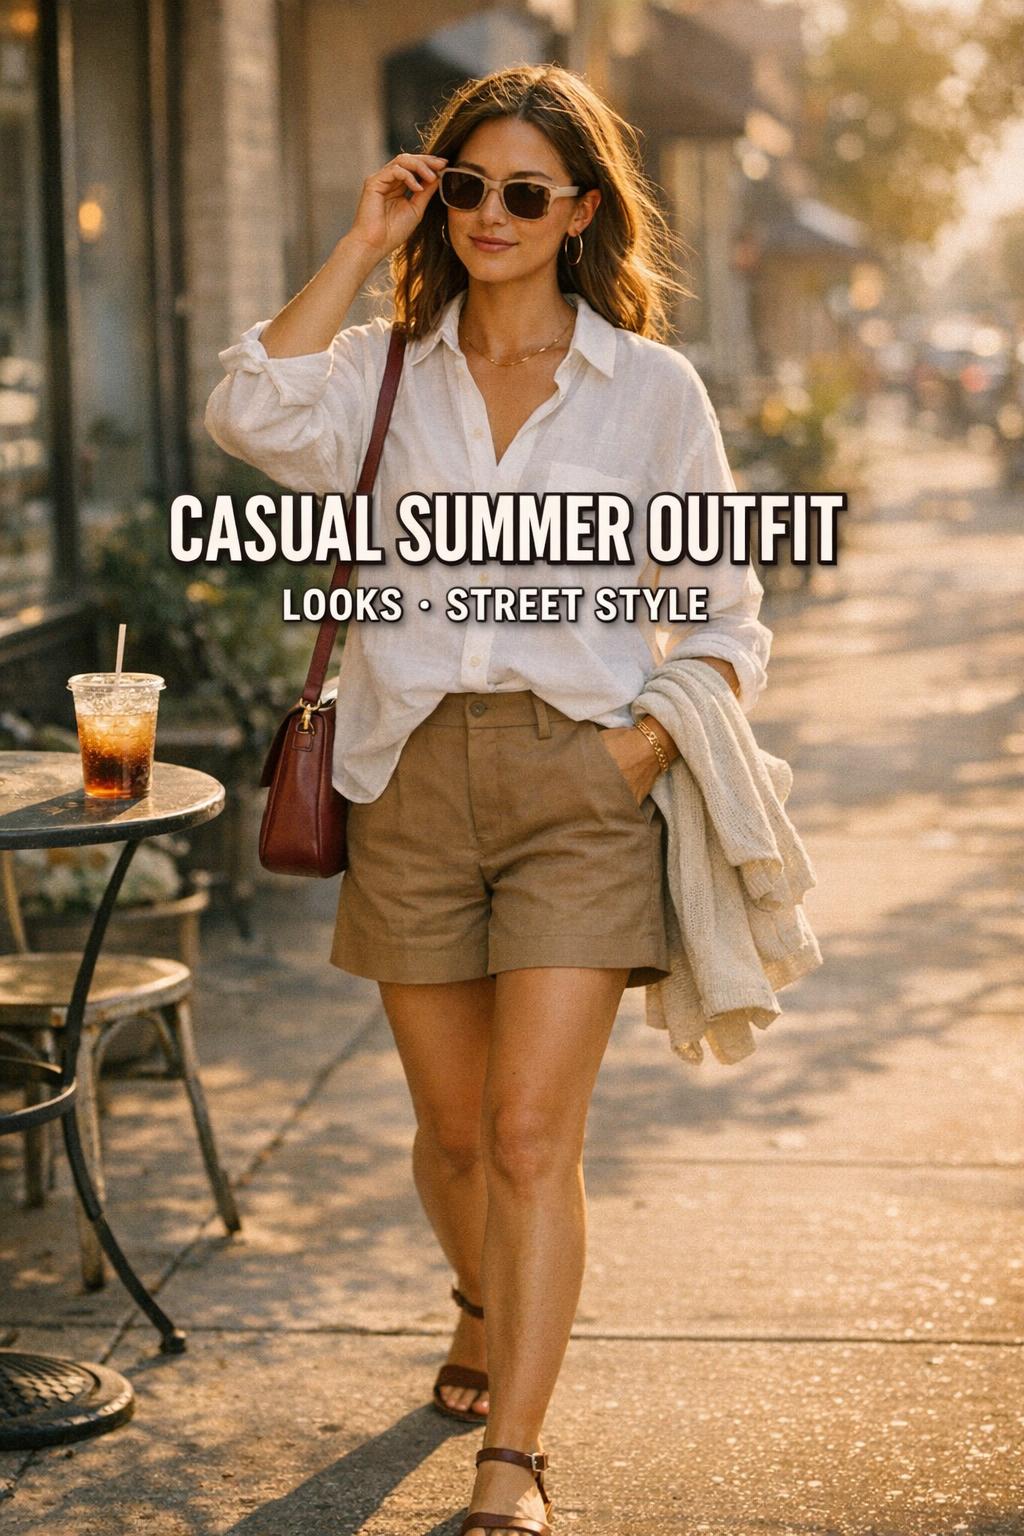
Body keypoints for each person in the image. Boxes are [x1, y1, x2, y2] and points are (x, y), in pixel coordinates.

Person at [205, 62, 771, 1536]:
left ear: (581, 210)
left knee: (530, 1136)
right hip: (407, 777)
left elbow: (723, 612)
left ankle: (512, 1457)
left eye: (528, 191)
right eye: (468, 186)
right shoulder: (387, 373)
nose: (495, 214)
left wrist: (635, 752)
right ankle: (479, 1295)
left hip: (577, 785)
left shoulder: (648, 391)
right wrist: (359, 237)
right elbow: (245, 408)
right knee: (452, 1137)